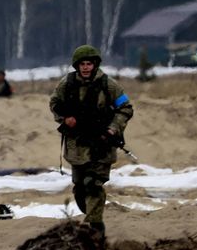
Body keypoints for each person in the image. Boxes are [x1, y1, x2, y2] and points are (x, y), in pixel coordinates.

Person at [49, 45, 134, 238]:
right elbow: (54, 104)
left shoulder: (108, 85)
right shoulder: (67, 84)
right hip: (77, 145)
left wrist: (113, 128)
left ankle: (95, 228)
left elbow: (126, 108)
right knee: (80, 188)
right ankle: (92, 218)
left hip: (102, 143)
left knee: (93, 184)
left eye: (89, 63)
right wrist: (65, 118)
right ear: (77, 66)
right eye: (82, 64)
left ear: (95, 65)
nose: (86, 67)